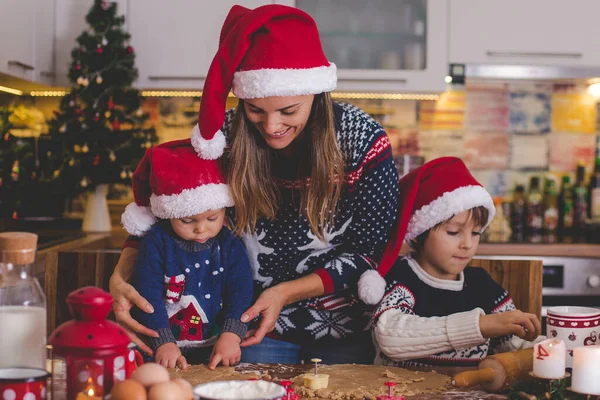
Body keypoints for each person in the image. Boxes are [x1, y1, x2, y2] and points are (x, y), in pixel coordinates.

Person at [110, 4, 399, 364]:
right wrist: (121, 274)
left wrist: (284, 293)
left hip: (345, 327)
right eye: (255, 110)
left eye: (288, 111)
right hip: (249, 325)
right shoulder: (222, 138)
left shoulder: (362, 139)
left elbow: (369, 249)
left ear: (316, 92)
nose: (272, 126)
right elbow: (168, 208)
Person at [363, 157, 542, 367]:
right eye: (454, 232)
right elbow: (390, 337)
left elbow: (515, 345)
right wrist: (479, 326)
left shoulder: (483, 286)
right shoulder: (401, 277)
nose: (467, 244)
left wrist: (561, 348)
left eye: (476, 233)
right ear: (419, 233)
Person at [122, 139, 253, 370]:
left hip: (216, 348)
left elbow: (240, 291)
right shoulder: (156, 242)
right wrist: (163, 341)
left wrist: (232, 334)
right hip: (162, 350)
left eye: (212, 218)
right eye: (187, 220)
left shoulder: (230, 244)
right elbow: (147, 294)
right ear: (169, 213)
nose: (201, 229)